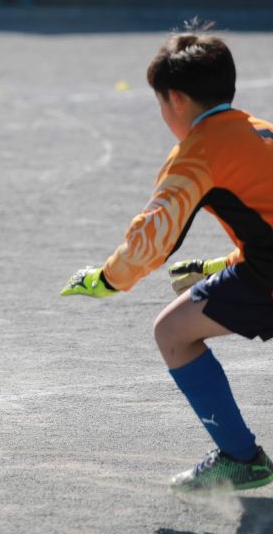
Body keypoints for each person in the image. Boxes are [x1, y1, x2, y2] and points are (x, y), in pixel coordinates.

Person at [61, 27, 273, 492]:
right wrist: (217, 268)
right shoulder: (261, 129)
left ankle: (242, 459)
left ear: (175, 99)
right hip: (262, 265)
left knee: (172, 332)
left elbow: (153, 240)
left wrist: (107, 279)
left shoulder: (197, 152)